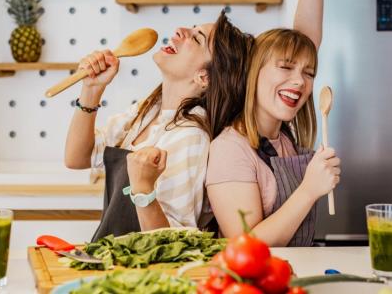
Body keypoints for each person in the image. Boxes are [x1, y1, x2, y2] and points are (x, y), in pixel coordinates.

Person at [64, 15, 253, 240]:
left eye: (197, 38)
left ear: (205, 77)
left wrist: (143, 188)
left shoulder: (191, 136)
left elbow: (172, 241)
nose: (181, 30)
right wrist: (92, 89)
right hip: (116, 261)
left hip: (140, 270)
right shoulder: (147, 110)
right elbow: (77, 158)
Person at [206, 0, 341, 247]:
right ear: (255, 71)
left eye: (309, 73)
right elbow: (245, 247)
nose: (300, 81)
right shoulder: (230, 149)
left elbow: (307, 39)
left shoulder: (283, 137)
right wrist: (309, 189)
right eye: (285, 67)